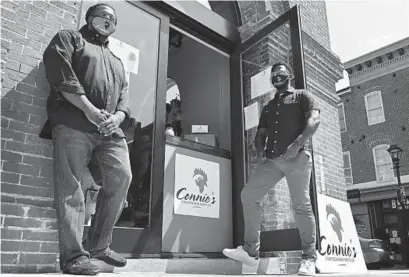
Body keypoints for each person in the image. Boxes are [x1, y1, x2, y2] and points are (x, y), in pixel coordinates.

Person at [42, 3, 132, 275]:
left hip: (110, 132)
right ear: (89, 18)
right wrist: (89, 110)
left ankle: (99, 246)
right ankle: (73, 258)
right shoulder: (70, 38)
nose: (107, 19)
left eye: (112, 18)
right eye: (102, 15)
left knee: (122, 177)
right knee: (70, 185)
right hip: (73, 123)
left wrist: (117, 118)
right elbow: (60, 73)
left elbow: (125, 98)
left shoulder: (117, 61)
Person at [222, 63, 321, 276]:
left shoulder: (303, 96)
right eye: (273, 75)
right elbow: (260, 134)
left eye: (281, 73)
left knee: (301, 205)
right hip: (271, 162)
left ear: (289, 76)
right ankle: (251, 252)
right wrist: (260, 153)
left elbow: (314, 120)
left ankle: (309, 257)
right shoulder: (268, 107)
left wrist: (296, 144)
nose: (277, 77)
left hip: (297, 158)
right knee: (248, 195)